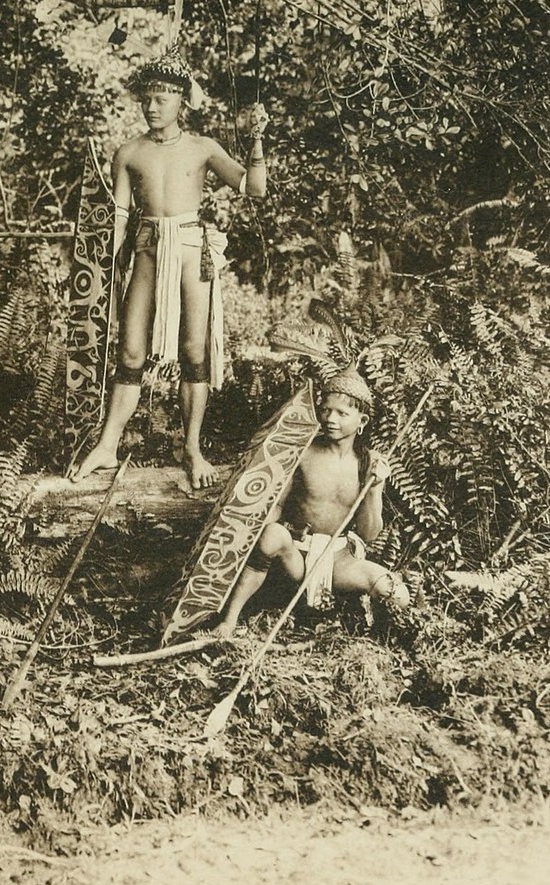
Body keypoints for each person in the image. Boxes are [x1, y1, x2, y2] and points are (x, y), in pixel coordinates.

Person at [69, 49, 269, 489]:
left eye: (161, 99)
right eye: (146, 99)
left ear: (182, 101)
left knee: (194, 353)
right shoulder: (128, 153)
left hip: (191, 251)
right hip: (146, 249)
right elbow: (119, 218)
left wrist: (256, 140)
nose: (152, 107)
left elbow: (254, 188)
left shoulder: (202, 148)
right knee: (130, 352)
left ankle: (192, 448)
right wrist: (104, 265)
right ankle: (107, 445)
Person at [213, 369, 411, 638]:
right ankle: (230, 619)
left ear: (362, 420)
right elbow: (277, 506)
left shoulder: (369, 463)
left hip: (339, 557)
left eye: (342, 413)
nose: (330, 419)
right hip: (295, 555)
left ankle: (364, 630)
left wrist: (375, 489)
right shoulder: (304, 452)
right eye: (326, 410)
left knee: (397, 593)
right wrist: (251, 531)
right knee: (272, 534)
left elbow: (369, 534)